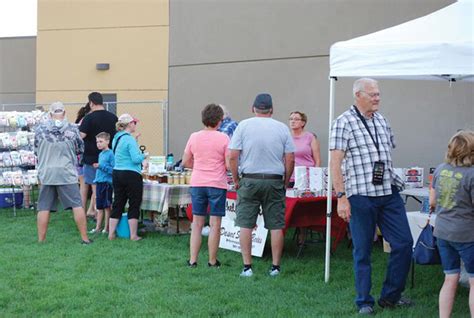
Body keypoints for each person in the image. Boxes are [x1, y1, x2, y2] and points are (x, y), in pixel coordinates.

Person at [329, 78, 413, 315]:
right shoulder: (343, 122)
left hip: (388, 192)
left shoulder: (382, 120)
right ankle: (364, 301)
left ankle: (391, 296)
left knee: (404, 243)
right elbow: (335, 162)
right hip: (361, 196)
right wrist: (341, 197)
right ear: (358, 95)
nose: (377, 98)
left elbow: (386, 153)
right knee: (363, 250)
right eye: (373, 94)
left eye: (378, 94)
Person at [229, 93, 295, 277]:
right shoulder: (282, 128)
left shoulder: (243, 126)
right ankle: (275, 267)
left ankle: (247, 267)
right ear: (272, 110)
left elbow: (232, 156)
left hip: (249, 179)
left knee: (245, 224)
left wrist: (236, 180)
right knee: (275, 225)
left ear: (253, 108)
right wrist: (285, 180)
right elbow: (290, 159)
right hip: (274, 179)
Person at [429, 130, 474, 318]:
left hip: (442, 233)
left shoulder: (440, 169)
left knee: (450, 278)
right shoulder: (471, 174)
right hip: (466, 235)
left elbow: (432, 201)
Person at [34, 101, 92, 244]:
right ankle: (85, 239)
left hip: (47, 173)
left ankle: (41, 241)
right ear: (64, 113)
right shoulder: (72, 129)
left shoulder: (40, 130)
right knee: (77, 205)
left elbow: (36, 150)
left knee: (44, 207)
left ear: (50, 114)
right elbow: (80, 149)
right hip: (67, 173)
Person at [182, 104, 230, 268]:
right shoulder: (224, 138)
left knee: (197, 223)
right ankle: (212, 260)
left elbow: (186, 161)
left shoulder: (194, 136)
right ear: (219, 120)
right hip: (217, 183)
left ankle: (193, 260)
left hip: (198, 182)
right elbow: (229, 163)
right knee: (215, 224)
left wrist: (200, 165)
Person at [108, 114, 146, 241]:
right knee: (134, 203)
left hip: (117, 173)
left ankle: (111, 233)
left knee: (118, 202)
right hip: (131, 174)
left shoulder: (116, 138)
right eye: (134, 122)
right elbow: (135, 159)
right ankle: (133, 235)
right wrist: (144, 155)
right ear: (129, 124)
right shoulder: (129, 139)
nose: (135, 124)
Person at [79, 92, 118, 219]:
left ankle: (93, 214)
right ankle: (97, 214)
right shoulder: (113, 117)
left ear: (91, 103)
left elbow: (81, 136)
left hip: (91, 158)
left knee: (94, 188)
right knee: (104, 187)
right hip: (108, 158)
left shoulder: (89, 118)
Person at [288, 111, 321, 245]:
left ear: (303, 123)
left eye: (296, 119)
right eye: (290, 119)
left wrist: (315, 178)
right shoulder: (286, 137)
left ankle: (302, 234)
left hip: (306, 178)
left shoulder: (310, 137)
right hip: (290, 177)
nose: (292, 121)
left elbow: (317, 160)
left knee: (302, 209)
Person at [90, 132, 114, 234]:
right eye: (97, 142)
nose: (98, 144)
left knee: (107, 206)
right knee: (99, 206)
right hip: (99, 182)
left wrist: (101, 166)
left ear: (107, 141)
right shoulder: (101, 154)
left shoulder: (111, 154)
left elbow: (113, 170)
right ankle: (98, 228)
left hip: (107, 183)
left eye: (101, 141)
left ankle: (107, 228)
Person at [75, 103, 94, 217]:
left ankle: (82, 212)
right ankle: (90, 210)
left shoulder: (81, 120)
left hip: (78, 157)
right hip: (84, 157)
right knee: (94, 184)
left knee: (83, 186)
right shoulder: (88, 120)